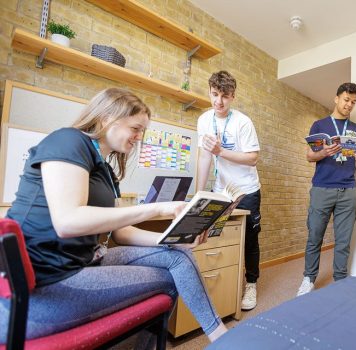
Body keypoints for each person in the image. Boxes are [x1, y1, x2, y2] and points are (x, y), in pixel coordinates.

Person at [0, 88, 227, 345]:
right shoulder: (68, 141)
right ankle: (219, 340)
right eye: (135, 128)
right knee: (170, 278)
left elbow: (122, 232)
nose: (139, 137)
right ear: (108, 117)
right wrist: (159, 208)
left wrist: (173, 239)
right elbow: (67, 221)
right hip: (43, 286)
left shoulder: (106, 170)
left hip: (82, 263)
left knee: (178, 256)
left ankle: (221, 337)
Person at [196, 71, 262, 311]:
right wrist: (199, 193)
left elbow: (253, 158)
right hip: (220, 191)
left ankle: (251, 284)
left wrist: (220, 151)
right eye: (214, 95)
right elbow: (204, 156)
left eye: (224, 96)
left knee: (249, 240)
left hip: (246, 191)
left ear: (232, 96)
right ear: (210, 92)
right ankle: (224, 285)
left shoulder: (242, 122)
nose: (218, 101)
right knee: (219, 236)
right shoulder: (204, 120)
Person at [297, 82, 356, 296]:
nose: (349, 105)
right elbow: (310, 156)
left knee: (343, 241)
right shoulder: (319, 125)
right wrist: (325, 152)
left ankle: (340, 280)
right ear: (336, 98)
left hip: (348, 190)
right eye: (346, 100)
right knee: (314, 236)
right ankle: (308, 279)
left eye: (353, 102)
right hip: (322, 188)